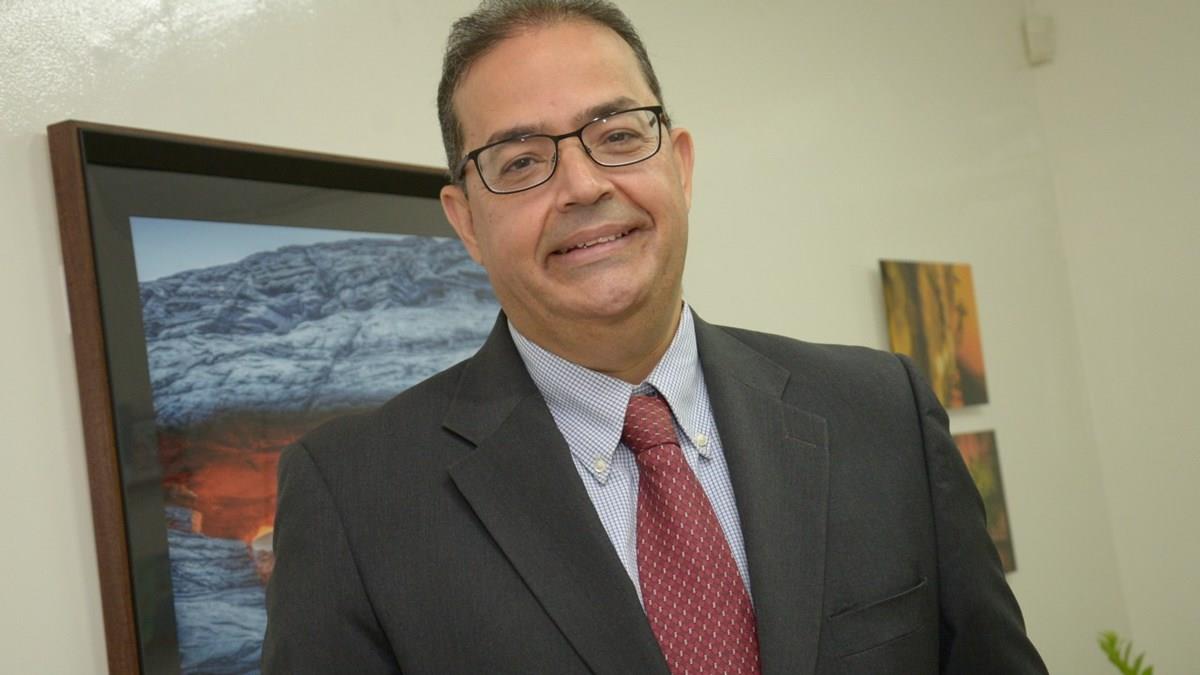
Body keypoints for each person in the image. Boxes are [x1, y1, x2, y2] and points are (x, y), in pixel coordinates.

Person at [262, 1, 1048, 673]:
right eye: (522, 161)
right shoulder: (353, 497)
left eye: (616, 135)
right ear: (466, 221)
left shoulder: (882, 413)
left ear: (680, 165)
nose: (583, 185)